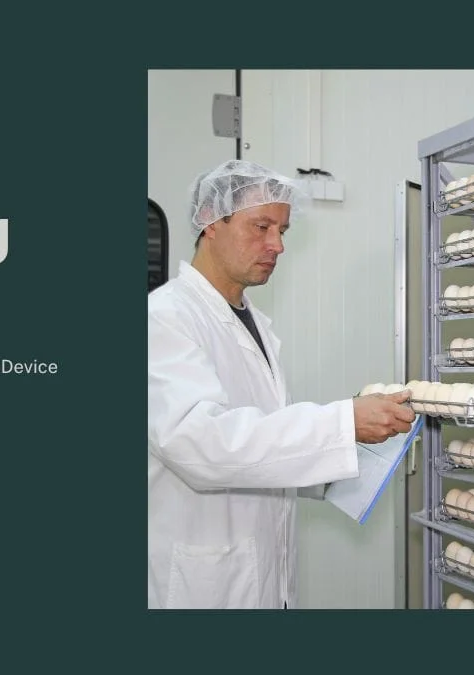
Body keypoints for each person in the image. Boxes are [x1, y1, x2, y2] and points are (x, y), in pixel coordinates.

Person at [147, 159, 415, 610]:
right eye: (261, 227)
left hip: (265, 574)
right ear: (211, 220)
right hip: (203, 584)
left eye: (283, 230)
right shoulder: (164, 318)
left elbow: (263, 443)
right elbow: (202, 444)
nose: (277, 245)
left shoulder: (252, 323)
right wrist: (342, 423)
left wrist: (353, 449)